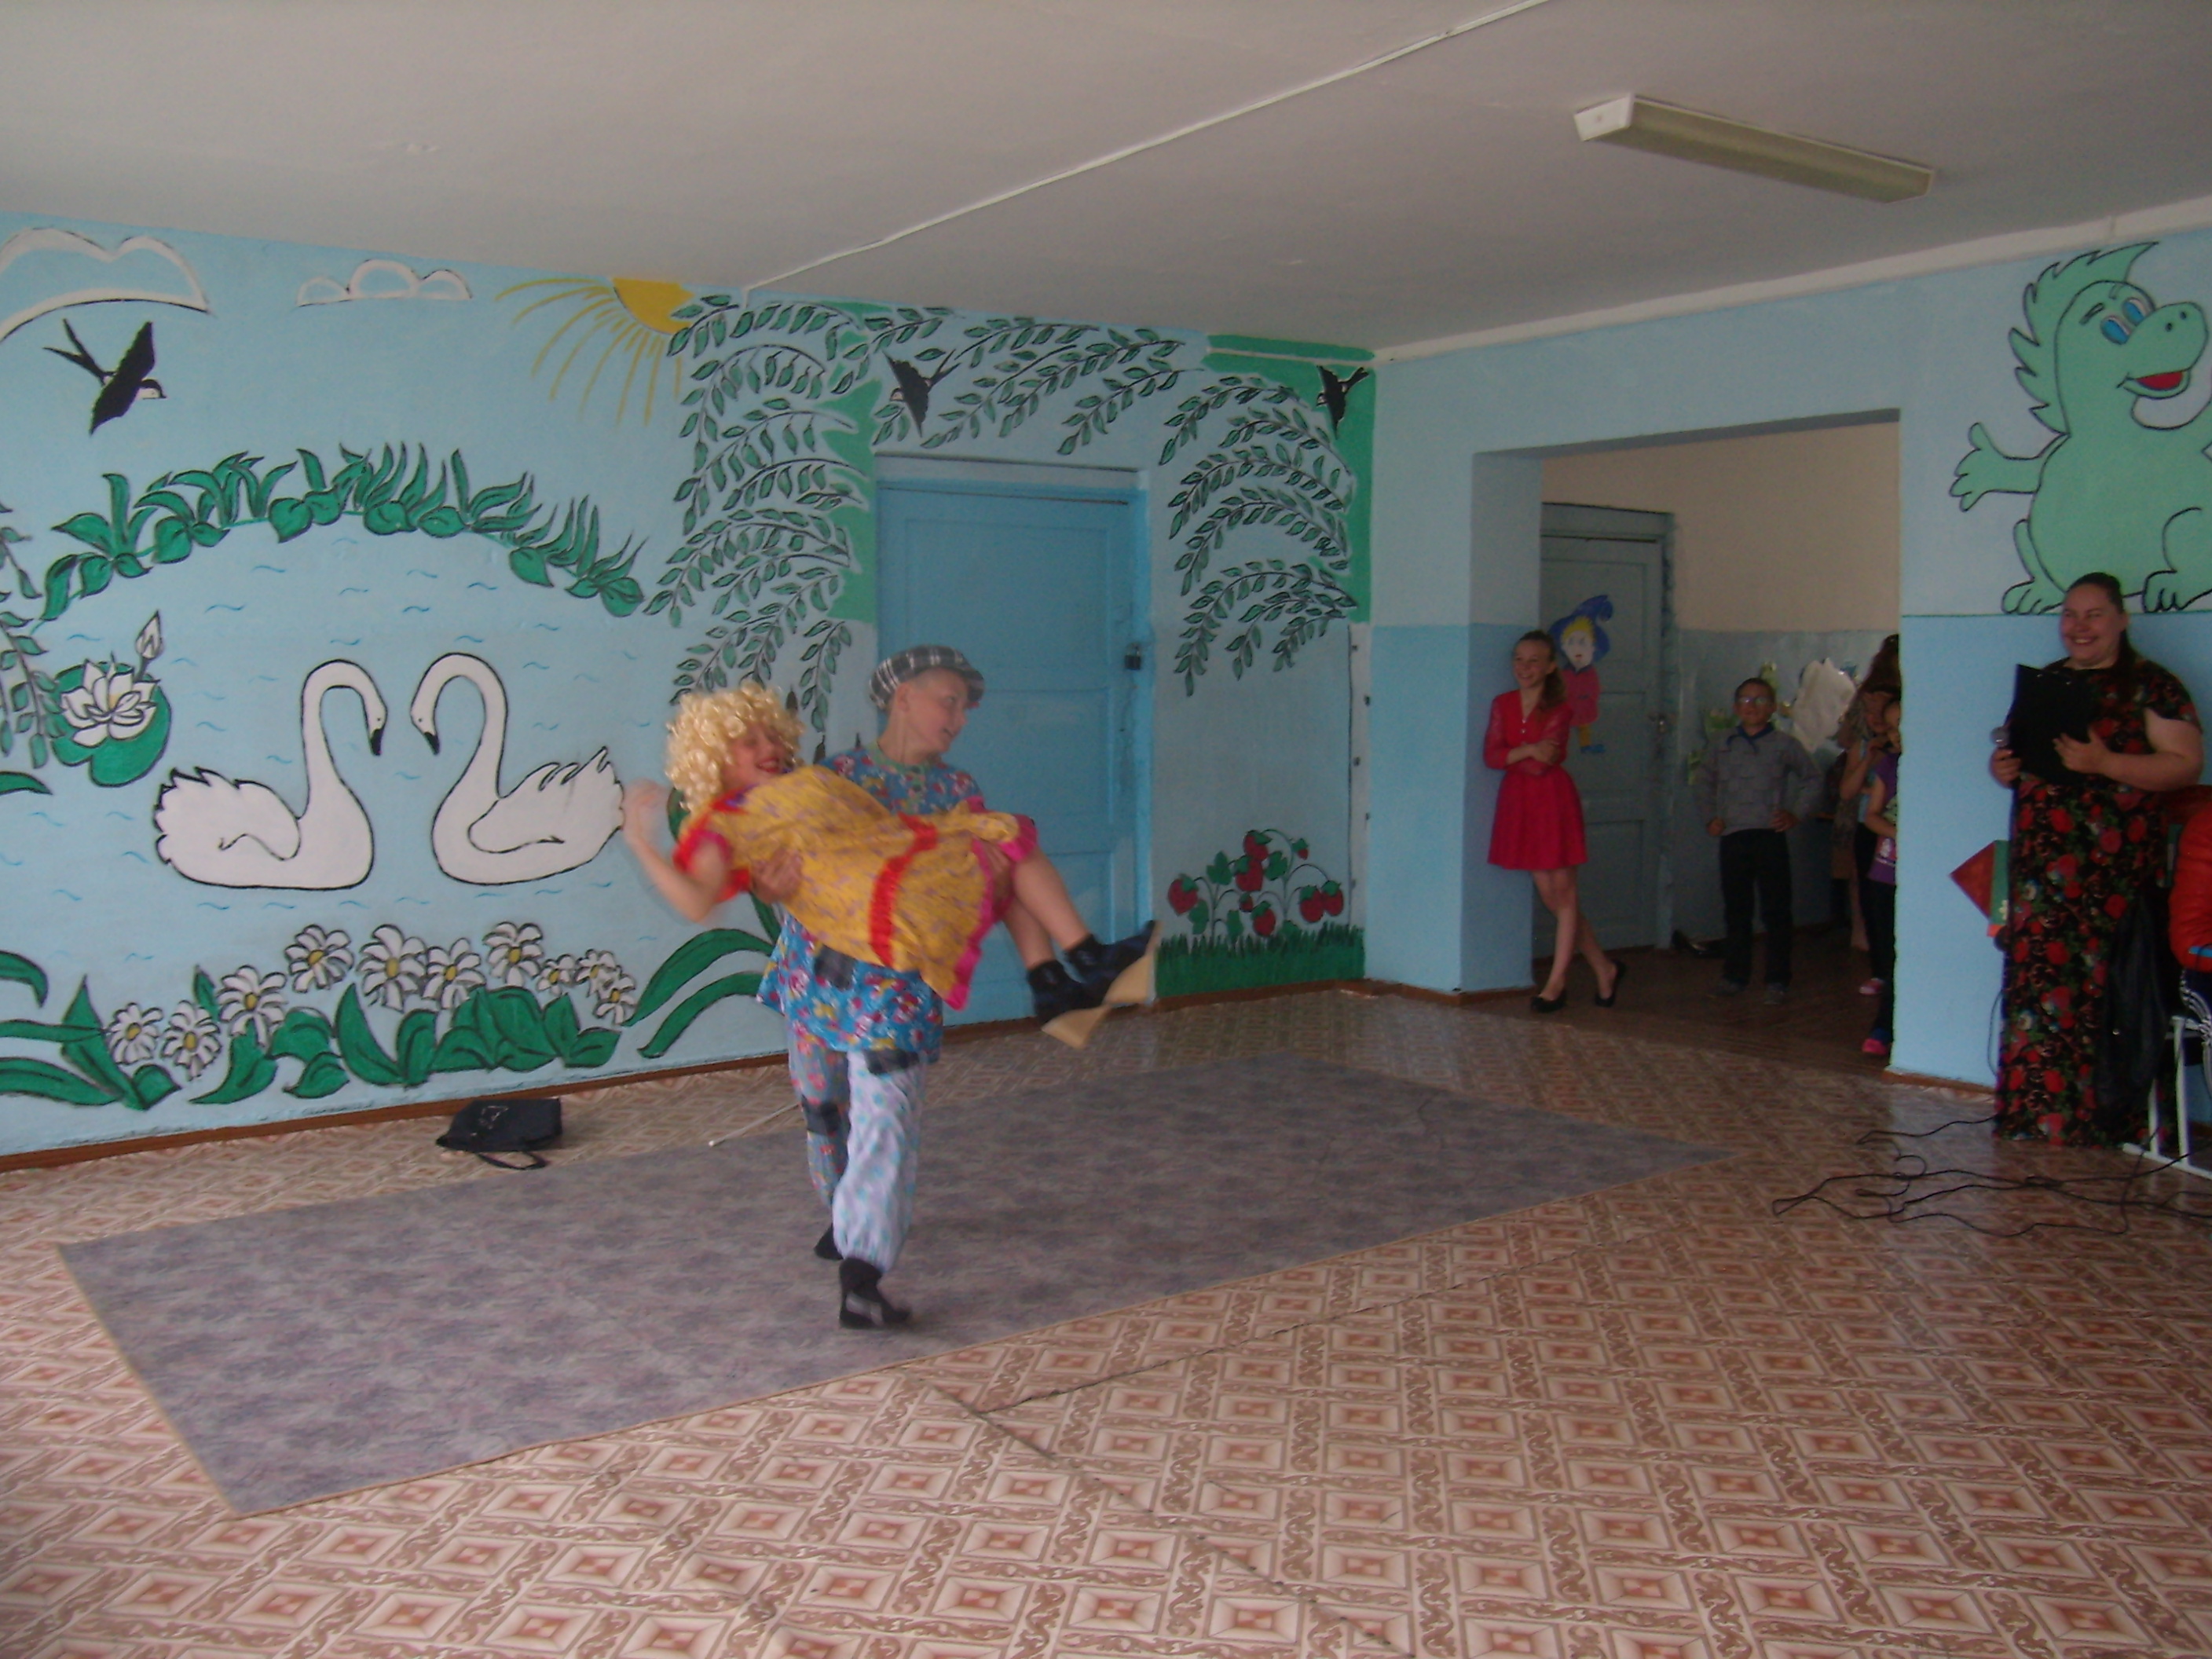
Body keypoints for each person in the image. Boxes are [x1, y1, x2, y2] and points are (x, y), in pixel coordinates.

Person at [622, 682, 1147, 1035]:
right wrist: (642, 844)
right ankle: (1085, 959)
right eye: (747, 742)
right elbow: (696, 902)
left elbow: (859, 822)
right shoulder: (722, 822)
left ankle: (1053, 983)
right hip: (881, 898)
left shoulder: (804, 785)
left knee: (995, 848)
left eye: (772, 735)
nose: (769, 747)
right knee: (1000, 838)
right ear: (715, 761)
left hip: (886, 875)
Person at [1989, 573, 2201, 1145]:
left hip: (2112, 882)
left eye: (2094, 615)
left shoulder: (2152, 686)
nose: (2079, 627)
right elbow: (2017, 756)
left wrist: (2106, 763)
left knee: (2109, 998)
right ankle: (2038, 1117)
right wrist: (2003, 769)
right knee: (2040, 994)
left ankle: (2107, 1123)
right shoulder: (2048, 682)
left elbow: (2185, 765)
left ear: (2121, 621)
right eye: (2070, 615)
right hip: (2041, 876)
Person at [1485, 630, 1621, 1012]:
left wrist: (1517, 753)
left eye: (1533, 661)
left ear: (1548, 667)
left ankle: (1556, 982)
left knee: (1564, 893)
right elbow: (1491, 756)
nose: (1524, 667)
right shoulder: (1502, 703)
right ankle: (1604, 967)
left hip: (1551, 801)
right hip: (1519, 802)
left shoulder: (1560, 708)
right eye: (1519, 659)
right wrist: (1528, 748)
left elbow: (1543, 763)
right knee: (1552, 897)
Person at [1694, 677, 1822, 1002]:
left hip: (1769, 837)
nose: (1752, 707)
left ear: (1773, 707)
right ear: (1736, 706)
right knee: (1737, 909)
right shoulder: (1722, 742)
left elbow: (1812, 779)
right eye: (1746, 700)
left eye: (1761, 700)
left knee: (1776, 910)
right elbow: (1703, 781)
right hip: (1733, 836)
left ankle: (1777, 979)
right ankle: (1735, 975)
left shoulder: (1784, 744)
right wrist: (1710, 817)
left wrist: (1796, 814)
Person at [1859, 695, 1901, 1057]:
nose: (1898, 735)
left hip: (1916, 879)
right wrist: (1898, 833)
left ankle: (1892, 1024)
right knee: (1888, 957)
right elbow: (1871, 815)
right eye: (1892, 728)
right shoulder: (1888, 765)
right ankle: (1883, 1025)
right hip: (1885, 873)